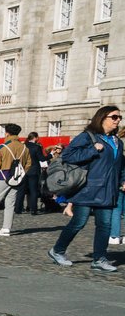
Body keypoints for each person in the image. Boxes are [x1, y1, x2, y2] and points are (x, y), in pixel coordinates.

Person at [48, 105, 125, 272]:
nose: (118, 120)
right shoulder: (88, 137)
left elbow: (120, 165)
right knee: (78, 222)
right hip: (87, 188)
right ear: (103, 118)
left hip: (108, 190)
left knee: (104, 225)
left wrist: (123, 180)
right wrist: (92, 150)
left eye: (119, 117)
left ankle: (99, 259)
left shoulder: (117, 141)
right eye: (114, 117)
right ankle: (57, 250)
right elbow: (68, 156)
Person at [14, 132, 48, 215]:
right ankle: (33, 209)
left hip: (23, 170)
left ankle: (18, 209)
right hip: (33, 171)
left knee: (21, 191)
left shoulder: (23, 146)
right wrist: (51, 155)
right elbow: (42, 159)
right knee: (33, 191)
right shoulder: (37, 147)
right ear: (35, 138)